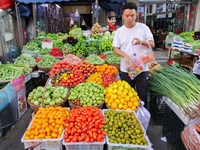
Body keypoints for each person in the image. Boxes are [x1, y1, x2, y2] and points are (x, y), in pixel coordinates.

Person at [113, 2, 155, 108]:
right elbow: (115, 49)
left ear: (136, 15)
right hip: (126, 69)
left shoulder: (144, 28)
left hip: (141, 68)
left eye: (132, 15)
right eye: (127, 16)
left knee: (142, 95)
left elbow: (152, 44)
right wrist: (126, 57)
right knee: (126, 96)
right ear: (122, 16)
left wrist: (141, 42)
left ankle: (143, 118)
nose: (130, 18)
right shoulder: (119, 32)